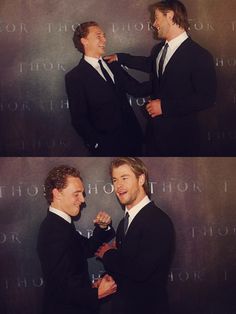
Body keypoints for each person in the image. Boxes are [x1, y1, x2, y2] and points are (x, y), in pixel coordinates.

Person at [105, 0, 217, 156]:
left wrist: (165, 107)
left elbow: (207, 98)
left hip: (181, 139)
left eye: (156, 18)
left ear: (170, 16)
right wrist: (120, 58)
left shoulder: (200, 55)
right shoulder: (159, 49)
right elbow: (150, 64)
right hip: (154, 136)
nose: (154, 23)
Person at [96, 157, 175, 314]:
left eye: (125, 178)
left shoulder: (158, 221)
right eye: (115, 180)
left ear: (141, 179)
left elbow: (140, 271)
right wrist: (107, 279)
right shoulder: (123, 223)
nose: (119, 186)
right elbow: (126, 266)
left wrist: (108, 254)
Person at [37, 165, 117, 314]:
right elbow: (59, 287)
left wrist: (102, 228)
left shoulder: (61, 225)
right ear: (57, 193)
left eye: (82, 193)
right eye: (76, 194)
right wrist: (96, 293)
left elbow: (86, 249)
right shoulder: (54, 230)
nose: (82, 200)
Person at [65, 21, 149, 156]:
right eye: (99, 36)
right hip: (106, 148)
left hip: (134, 140)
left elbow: (137, 89)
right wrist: (96, 143)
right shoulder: (75, 77)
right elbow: (79, 118)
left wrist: (164, 82)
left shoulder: (112, 64)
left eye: (104, 36)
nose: (104, 39)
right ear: (84, 41)